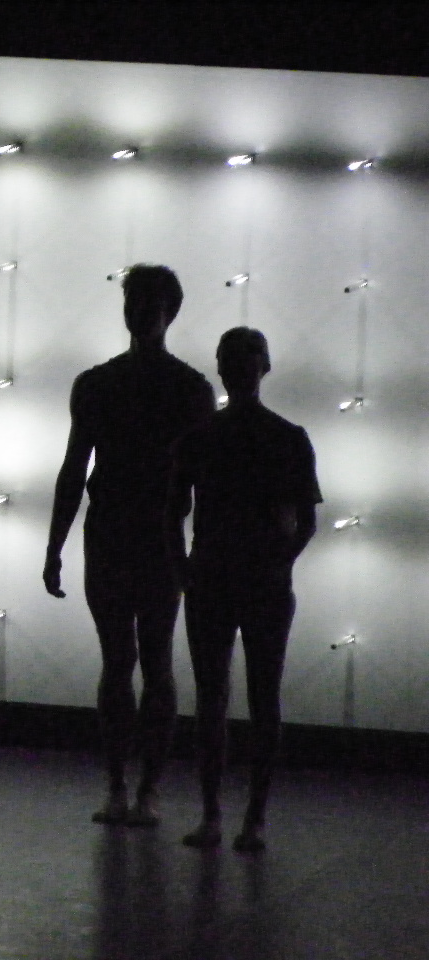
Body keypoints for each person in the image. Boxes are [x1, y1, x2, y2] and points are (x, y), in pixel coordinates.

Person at [43, 263, 214, 826]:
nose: (139, 314)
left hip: (117, 531)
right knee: (147, 661)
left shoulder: (100, 384)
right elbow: (200, 481)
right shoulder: (189, 388)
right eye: (136, 304)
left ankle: (125, 788)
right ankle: (141, 790)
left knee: (124, 661)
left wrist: (55, 545)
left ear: (165, 313)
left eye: (146, 305)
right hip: (151, 535)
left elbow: (76, 469)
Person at [168, 327, 320, 852]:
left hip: (213, 576)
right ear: (265, 367)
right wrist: (278, 562)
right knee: (262, 698)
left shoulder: (200, 437)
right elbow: (305, 523)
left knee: (213, 699)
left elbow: (174, 511)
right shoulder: (287, 437)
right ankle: (252, 818)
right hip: (262, 582)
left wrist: (183, 567)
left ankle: (214, 814)